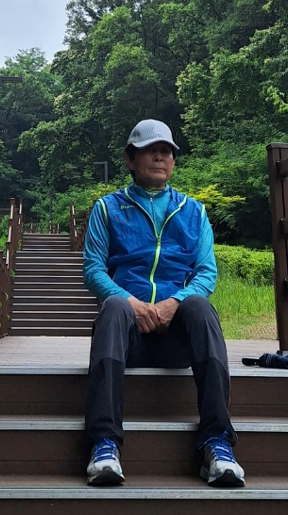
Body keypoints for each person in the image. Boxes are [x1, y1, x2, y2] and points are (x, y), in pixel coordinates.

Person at [82, 119, 244, 488]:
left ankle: (218, 444)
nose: (160, 156)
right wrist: (131, 302)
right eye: (150, 150)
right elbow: (92, 270)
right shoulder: (107, 209)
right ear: (130, 159)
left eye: (166, 151)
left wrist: (175, 302)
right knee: (113, 306)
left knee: (200, 307)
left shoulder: (193, 211)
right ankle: (104, 445)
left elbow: (206, 273)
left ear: (173, 161)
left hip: (177, 339)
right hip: (126, 337)